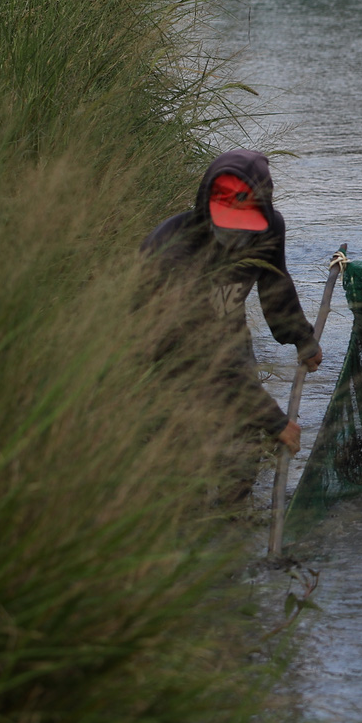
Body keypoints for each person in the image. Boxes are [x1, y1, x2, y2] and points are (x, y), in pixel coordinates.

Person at [142, 150, 320, 498]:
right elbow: (204, 355)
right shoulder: (172, 253)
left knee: (242, 448)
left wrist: (303, 339)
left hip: (228, 331)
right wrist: (275, 421)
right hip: (166, 351)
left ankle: (234, 518)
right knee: (182, 459)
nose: (234, 233)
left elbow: (276, 285)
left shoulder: (270, 229)